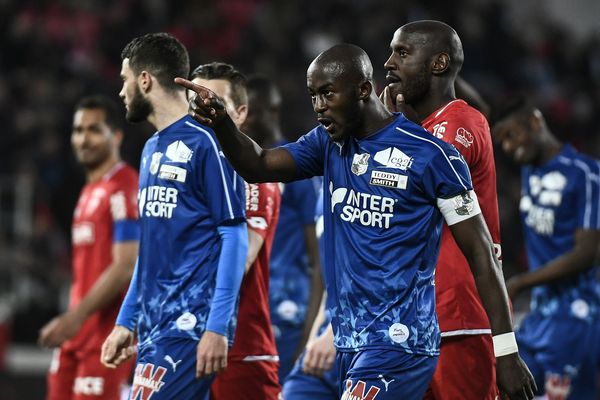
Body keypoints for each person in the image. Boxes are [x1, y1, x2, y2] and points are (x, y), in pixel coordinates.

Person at [177, 43, 536, 399]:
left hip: (400, 342)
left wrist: (505, 351)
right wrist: (222, 123)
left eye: (327, 94)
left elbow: (482, 253)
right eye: (313, 96)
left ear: (363, 89)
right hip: (350, 342)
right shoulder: (327, 144)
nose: (318, 108)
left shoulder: (432, 155)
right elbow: (259, 164)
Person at [100, 33, 248, 399]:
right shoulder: (152, 148)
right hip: (153, 327)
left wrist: (217, 328)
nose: (121, 92)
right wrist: (126, 321)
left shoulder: (209, 141)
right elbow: (151, 252)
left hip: (189, 326)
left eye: (125, 80)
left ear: (145, 80)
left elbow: (234, 234)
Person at [381, 20, 502, 399]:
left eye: (402, 53)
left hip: (458, 318)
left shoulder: (460, 123)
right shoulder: (415, 129)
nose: (388, 63)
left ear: (437, 64)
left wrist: (392, 130)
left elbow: (419, 192)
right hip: (411, 320)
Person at [493, 96, 600, 399]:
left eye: (512, 136)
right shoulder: (531, 169)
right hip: (538, 318)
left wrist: (519, 282)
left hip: (575, 318)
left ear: (535, 122)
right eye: (503, 144)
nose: (510, 149)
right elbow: (485, 111)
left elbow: (587, 253)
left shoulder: (586, 173)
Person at [188, 62, 282, 400]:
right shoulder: (179, 172)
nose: (203, 110)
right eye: (194, 101)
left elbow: (241, 257)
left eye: (214, 102)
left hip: (240, 351)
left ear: (240, 113)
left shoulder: (255, 179)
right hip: (183, 342)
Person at [39, 95, 139, 400]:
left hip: (106, 337)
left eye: (94, 130)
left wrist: (74, 317)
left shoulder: (125, 187)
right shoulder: (88, 192)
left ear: (116, 136)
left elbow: (126, 264)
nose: (84, 139)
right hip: (77, 334)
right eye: (78, 130)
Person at [242, 75, 323, 381]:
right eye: (240, 109)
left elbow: (318, 261)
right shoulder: (238, 168)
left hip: (289, 312)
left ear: (273, 112)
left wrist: (309, 335)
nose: (243, 118)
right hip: (252, 309)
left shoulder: (295, 167)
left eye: (252, 110)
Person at [282, 185, 340, 400]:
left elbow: (380, 272)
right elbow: (330, 280)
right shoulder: (326, 189)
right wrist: (311, 341)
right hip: (324, 337)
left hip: (370, 340)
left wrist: (333, 333)